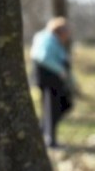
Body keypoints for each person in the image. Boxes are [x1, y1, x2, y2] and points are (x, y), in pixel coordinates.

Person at [30, 16, 75, 148]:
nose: (67, 37)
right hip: (49, 79)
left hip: (53, 80)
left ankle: (42, 131)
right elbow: (42, 57)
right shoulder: (47, 39)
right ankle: (50, 139)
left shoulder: (52, 40)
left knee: (59, 107)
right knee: (51, 109)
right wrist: (60, 70)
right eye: (66, 33)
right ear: (60, 31)